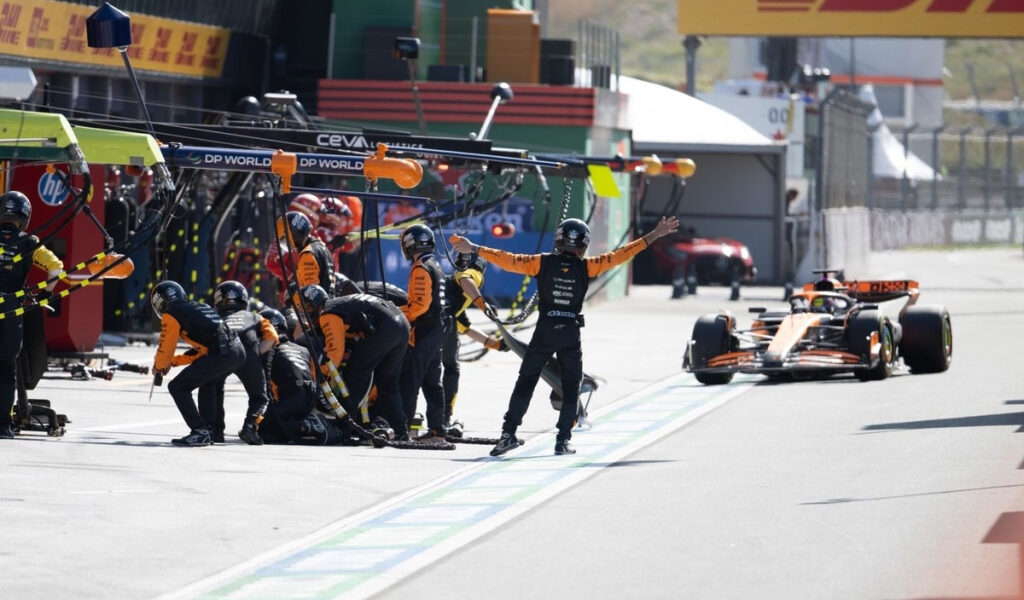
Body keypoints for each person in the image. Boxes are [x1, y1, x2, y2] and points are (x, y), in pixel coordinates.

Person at [452, 215, 680, 456]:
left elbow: (507, 260)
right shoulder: (589, 266)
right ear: (584, 245)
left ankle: (508, 434)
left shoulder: (541, 263)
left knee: (526, 381)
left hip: (545, 330)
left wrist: (475, 248)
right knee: (571, 387)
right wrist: (654, 234)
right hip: (570, 332)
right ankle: (563, 441)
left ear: (558, 241)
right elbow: (621, 255)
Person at [299, 284, 412, 441]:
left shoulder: (327, 313)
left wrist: (320, 375)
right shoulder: (340, 304)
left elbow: (335, 353)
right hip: (402, 324)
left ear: (316, 304)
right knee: (388, 382)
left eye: (308, 308)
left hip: (387, 327)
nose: (307, 313)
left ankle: (346, 429)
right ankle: (401, 431)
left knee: (356, 372)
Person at [151, 280, 246, 446]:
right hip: (237, 351)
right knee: (209, 383)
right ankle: (212, 431)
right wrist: (173, 362)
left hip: (222, 354)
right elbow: (201, 350)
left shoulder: (172, 313)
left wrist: (159, 366)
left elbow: (166, 345)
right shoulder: (199, 307)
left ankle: (200, 430)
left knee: (178, 387)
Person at [0, 191, 63, 439]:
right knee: (6, 369)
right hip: (11, 310)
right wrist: (46, 294)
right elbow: (56, 268)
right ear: (25, 216)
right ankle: (3, 425)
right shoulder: (29, 242)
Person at [197, 280, 278, 445]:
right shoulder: (256, 317)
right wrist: (255, 353)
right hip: (249, 353)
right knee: (259, 398)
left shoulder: (217, 320)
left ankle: (213, 430)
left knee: (211, 387)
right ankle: (250, 426)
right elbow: (272, 338)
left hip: (224, 354)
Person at [441, 251, 506, 430]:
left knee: (422, 371)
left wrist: (495, 344)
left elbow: (466, 328)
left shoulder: (453, 291)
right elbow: (467, 278)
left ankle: (408, 417)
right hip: (443, 323)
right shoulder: (472, 274)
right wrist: (483, 305)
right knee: (451, 369)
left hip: (431, 323)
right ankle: (444, 417)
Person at [397, 224, 451, 443]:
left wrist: (397, 313)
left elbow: (419, 305)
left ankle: (404, 428)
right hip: (438, 328)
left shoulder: (421, 267)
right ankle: (438, 429)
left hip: (427, 329)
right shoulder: (435, 264)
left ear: (410, 244)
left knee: (411, 378)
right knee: (432, 381)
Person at [256, 307, 336, 445]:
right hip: (310, 401)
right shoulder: (303, 349)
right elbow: (314, 377)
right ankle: (305, 421)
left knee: (261, 431)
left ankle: (303, 426)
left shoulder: (268, 349)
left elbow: (267, 388)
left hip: (290, 401)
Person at [276, 210, 335, 296]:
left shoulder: (307, 254)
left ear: (293, 235)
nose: (289, 244)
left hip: (319, 307)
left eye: (285, 240)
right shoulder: (323, 248)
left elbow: (311, 292)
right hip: (330, 303)